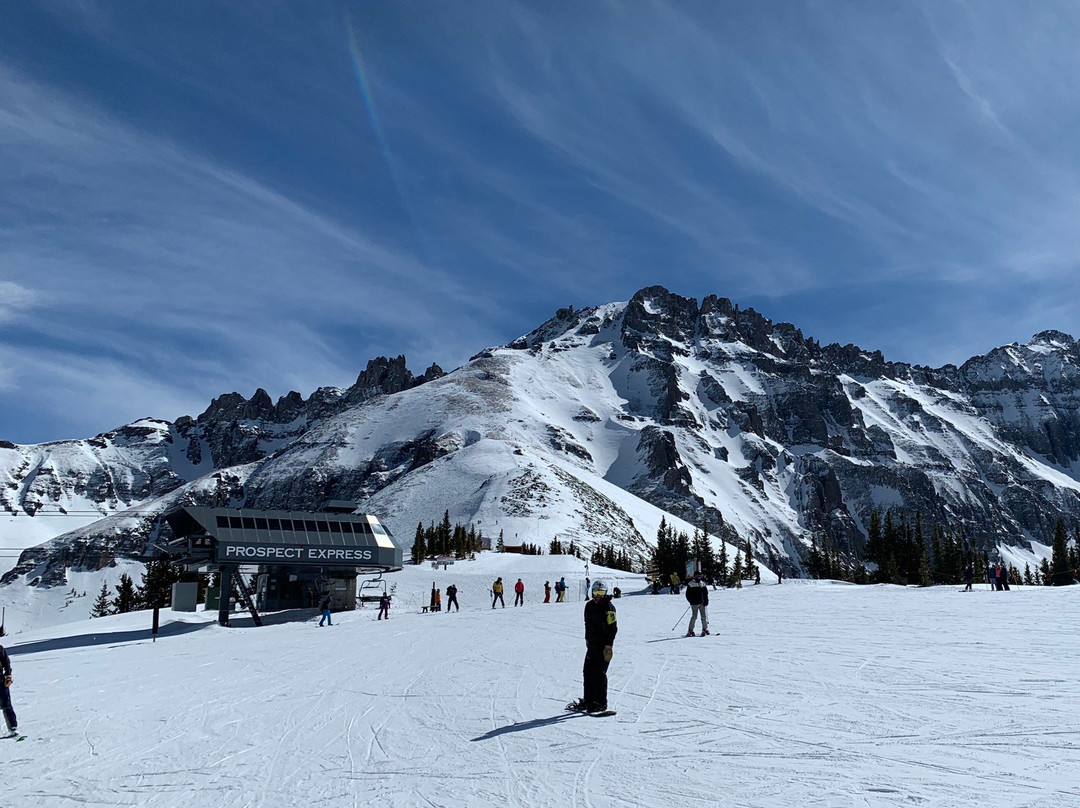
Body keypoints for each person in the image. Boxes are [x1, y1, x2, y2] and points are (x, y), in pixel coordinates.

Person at [569, 580, 618, 714]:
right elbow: (587, 624)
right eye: (596, 592)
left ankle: (601, 703)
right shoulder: (589, 606)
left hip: (603, 646)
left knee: (599, 674)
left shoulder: (609, 607)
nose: (598, 596)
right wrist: (587, 639)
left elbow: (613, 628)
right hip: (592, 645)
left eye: (601, 593)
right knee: (588, 672)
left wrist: (609, 646)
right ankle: (589, 700)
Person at [685, 570, 710, 636]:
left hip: (702, 603)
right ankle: (690, 630)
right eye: (698, 576)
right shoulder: (691, 584)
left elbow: (705, 593)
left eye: (700, 576)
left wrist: (706, 600)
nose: (699, 578)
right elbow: (688, 595)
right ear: (695, 576)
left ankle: (705, 629)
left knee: (704, 616)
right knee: (694, 617)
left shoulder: (702, 583)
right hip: (694, 604)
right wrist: (691, 601)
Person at [0, 644, 16, 737]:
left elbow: (6, 663)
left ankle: (12, 727)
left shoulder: (0, 649)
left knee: (6, 704)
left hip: (1, 681)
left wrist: (8, 675)